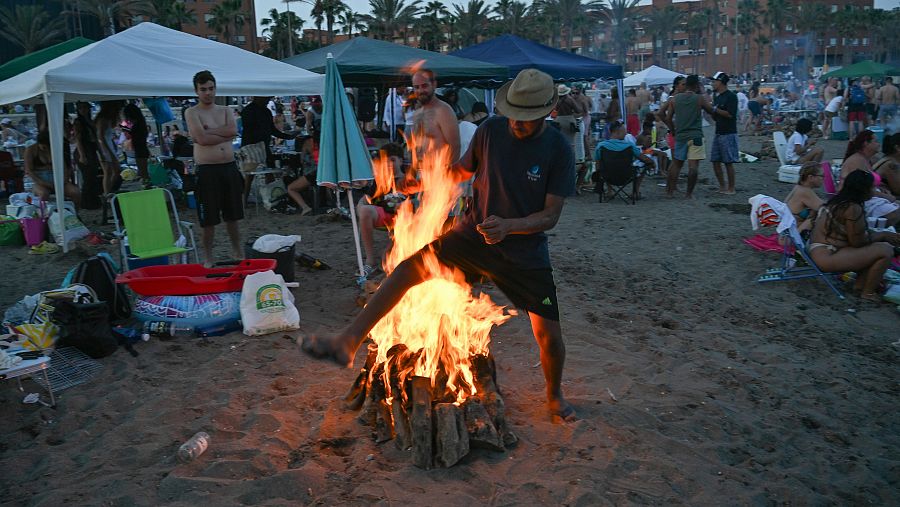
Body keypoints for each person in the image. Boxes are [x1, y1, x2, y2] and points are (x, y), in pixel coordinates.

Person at [301, 68, 578, 423]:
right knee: (407, 270)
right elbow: (462, 171)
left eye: (524, 120)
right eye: (512, 115)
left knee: (548, 333)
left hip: (523, 252)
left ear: (545, 113)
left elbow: (550, 216)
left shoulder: (558, 149)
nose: (516, 124)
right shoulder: (491, 130)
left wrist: (510, 227)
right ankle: (348, 341)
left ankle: (554, 396)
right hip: (473, 236)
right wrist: (422, 183)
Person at [808, 170, 900, 302]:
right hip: (826, 255)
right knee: (885, 250)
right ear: (862, 189)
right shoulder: (852, 208)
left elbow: (857, 237)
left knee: (875, 247)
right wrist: (883, 235)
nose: (874, 191)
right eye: (872, 187)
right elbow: (858, 242)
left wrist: (882, 235)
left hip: (822, 251)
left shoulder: (841, 201)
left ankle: (860, 286)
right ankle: (867, 293)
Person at [184, 70, 243, 265]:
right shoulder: (192, 112)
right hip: (207, 169)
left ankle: (238, 252)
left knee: (232, 216)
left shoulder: (225, 110)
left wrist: (212, 131)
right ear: (196, 91)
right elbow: (201, 139)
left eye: (211, 88)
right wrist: (222, 134)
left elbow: (233, 132)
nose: (208, 93)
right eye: (203, 89)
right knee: (208, 220)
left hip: (229, 166)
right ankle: (208, 257)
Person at [659, 74, 714, 198]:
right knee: (693, 167)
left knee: (676, 164)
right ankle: (688, 194)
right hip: (696, 136)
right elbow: (711, 111)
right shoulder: (699, 98)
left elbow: (666, 116)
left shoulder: (675, 99)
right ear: (696, 85)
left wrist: (672, 129)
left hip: (681, 136)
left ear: (687, 84)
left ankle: (670, 192)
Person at [356, 143, 406, 276]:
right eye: (385, 161)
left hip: (407, 219)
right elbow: (365, 199)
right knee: (365, 211)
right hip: (385, 216)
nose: (389, 163)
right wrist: (360, 207)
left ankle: (392, 249)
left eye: (393, 160)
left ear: (401, 160)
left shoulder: (409, 178)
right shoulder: (381, 181)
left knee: (387, 259)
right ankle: (370, 260)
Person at [839, 130, 899, 226]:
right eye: (876, 141)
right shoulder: (857, 161)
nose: (879, 144)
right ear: (866, 143)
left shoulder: (866, 159)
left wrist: (882, 188)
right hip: (856, 200)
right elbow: (861, 188)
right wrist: (887, 196)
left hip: (867, 197)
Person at [594, 119, 655, 198]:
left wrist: (599, 177)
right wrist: (652, 162)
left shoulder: (601, 146)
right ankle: (635, 192)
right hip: (627, 176)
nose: (626, 134)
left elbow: (597, 164)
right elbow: (643, 158)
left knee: (603, 165)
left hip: (607, 176)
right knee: (645, 164)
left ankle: (610, 191)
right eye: (624, 132)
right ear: (617, 132)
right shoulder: (629, 146)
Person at [410, 69, 460, 164]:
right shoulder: (417, 114)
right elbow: (414, 146)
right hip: (422, 172)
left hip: (440, 172)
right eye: (416, 87)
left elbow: (455, 146)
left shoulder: (444, 111)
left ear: (434, 85)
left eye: (424, 86)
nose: (420, 90)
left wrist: (448, 174)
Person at [24, 128, 81, 208]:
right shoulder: (30, 150)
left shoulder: (55, 149)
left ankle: (75, 213)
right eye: (44, 147)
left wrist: (63, 181)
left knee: (76, 192)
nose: (46, 149)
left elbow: (63, 167)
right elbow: (29, 171)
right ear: (38, 143)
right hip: (40, 180)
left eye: (48, 147)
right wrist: (43, 183)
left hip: (58, 179)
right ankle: (43, 215)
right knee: (43, 194)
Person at [708, 72, 739, 194]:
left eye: (714, 81)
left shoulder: (731, 97)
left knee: (728, 162)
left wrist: (715, 109)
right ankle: (722, 186)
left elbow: (730, 114)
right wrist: (712, 112)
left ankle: (731, 188)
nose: (712, 83)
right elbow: (716, 116)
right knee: (715, 160)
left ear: (720, 82)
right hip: (719, 132)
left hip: (729, 133)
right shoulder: (717, 97)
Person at [286, 125, 320, 216]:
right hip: (325, 173)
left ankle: (305, 207)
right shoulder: (328, 144)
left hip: (312, 173)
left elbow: (301, 160)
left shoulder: (308, 142)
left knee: (291, 188)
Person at [784, 162, 825, 232]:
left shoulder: (798, 187)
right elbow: (825, 208)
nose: (823, 179)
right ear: (811, 177)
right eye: (822, 176)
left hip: (785, 233)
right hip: (791, 237)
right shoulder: (805, 192)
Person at [94, 100, 124, 196]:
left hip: (108, 145)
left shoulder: (107, 118)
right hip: (104, 147)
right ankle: (107, 193)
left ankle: (109, 192)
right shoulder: (103, 119)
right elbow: (100, 137)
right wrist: (106, 151)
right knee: (109, 171)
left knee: (113, 171)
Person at [122, 103, 150, 183]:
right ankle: (146, 183)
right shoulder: (141, 123)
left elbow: (127, 134)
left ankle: (146, 184)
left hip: (139, 150)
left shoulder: (135, 125)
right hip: (142, 149)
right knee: (143, 171)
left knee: (142, 172)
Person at [873, 132, 900, 197]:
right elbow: (898, 190)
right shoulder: (891, 164)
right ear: (897, 148)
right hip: (878, 198)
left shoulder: (887, 158)